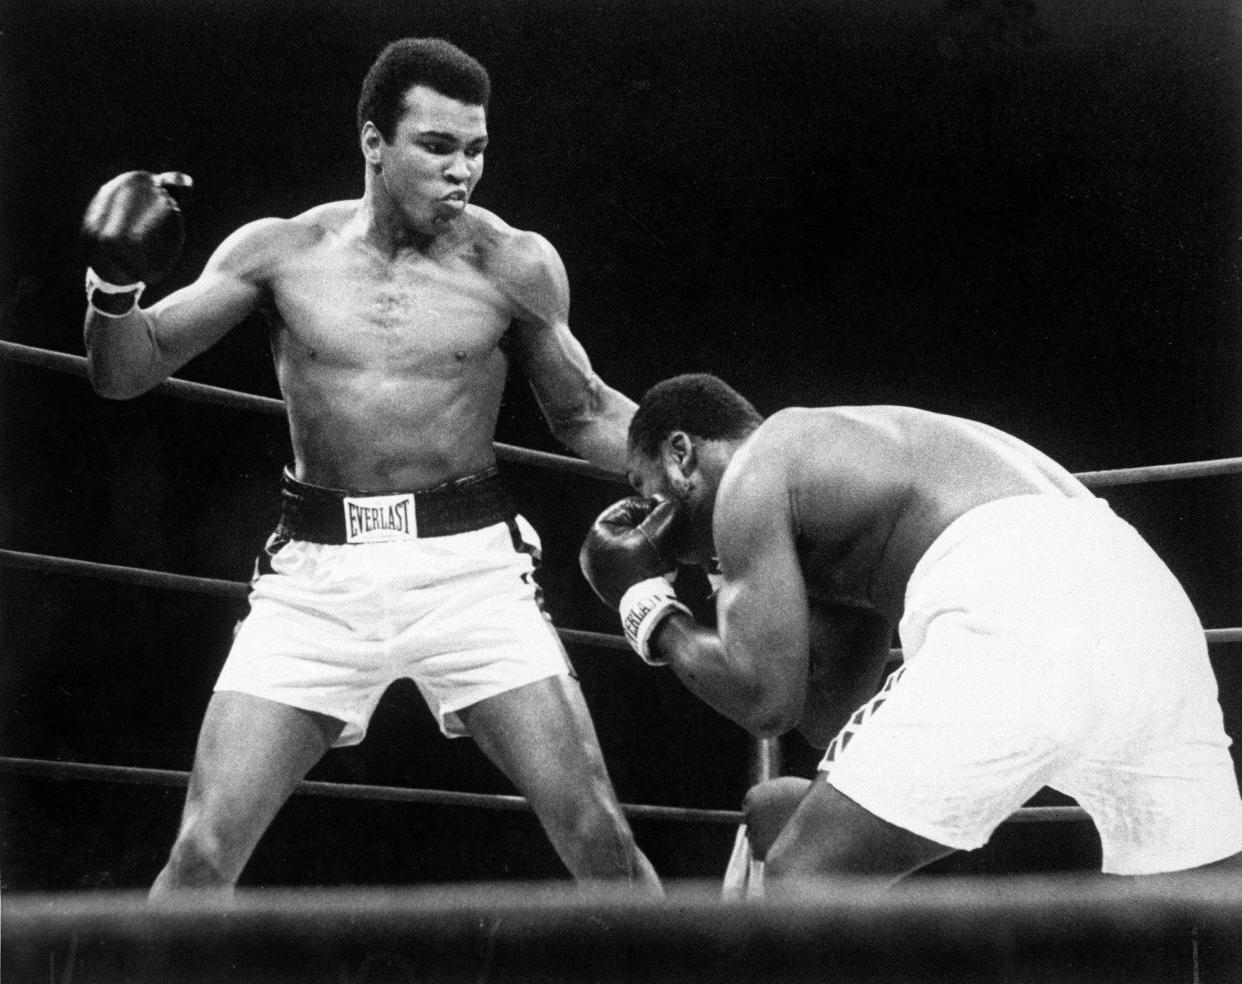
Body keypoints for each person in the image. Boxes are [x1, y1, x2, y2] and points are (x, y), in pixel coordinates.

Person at [81, 37, 660, 895]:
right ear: (373, 143)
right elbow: (125, 371)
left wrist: (722, 472)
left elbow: (585, 411)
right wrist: (112, 284)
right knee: (200, 857)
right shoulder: (281, 252)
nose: (461, 172)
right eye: (436, 147)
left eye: (476, 150)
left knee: (599, 834)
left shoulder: (514, 264)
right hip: (317, 581)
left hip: (469, 573)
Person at [579, 372, 1242, 890]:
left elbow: (765, 702)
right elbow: (826, 717)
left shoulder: (757, 466)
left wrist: (644, 603)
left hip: (1020, 596)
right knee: (1187, 902)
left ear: (680, 454)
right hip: (1143, 603)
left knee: (805, 878)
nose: (655, 525)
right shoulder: (844, 481)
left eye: (647, 490)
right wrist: (738, 585)